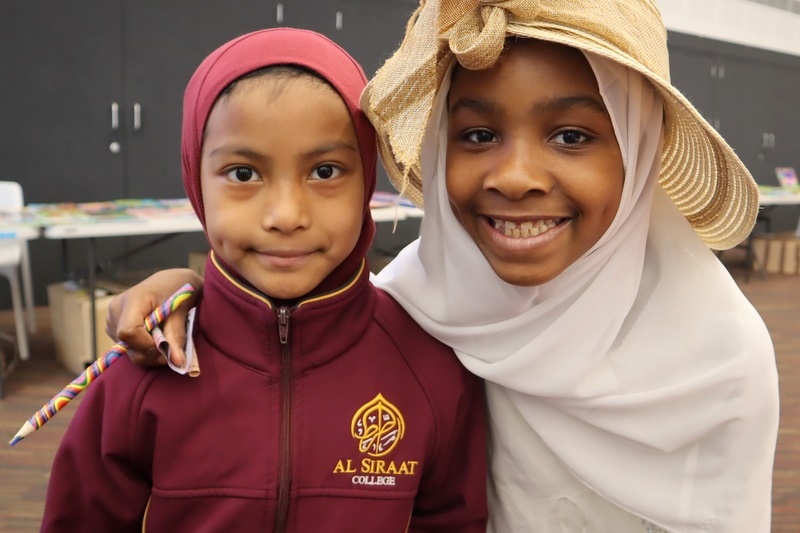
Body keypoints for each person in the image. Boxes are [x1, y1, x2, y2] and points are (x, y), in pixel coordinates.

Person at [107, 1, 780, 531]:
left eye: (572, 135)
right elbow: (303, 326)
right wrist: (194, 292)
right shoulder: (421, 313)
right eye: (478, 135)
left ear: (637, 150)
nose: (515, 177)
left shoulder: (717, 360)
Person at [41, 27, 488, 533]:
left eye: (324, 171)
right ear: (196, 181)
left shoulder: (428, 370)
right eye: (243, 174)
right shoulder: (144, 371)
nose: (285, 215)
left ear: (367, 176)